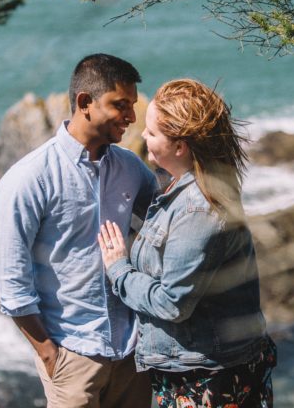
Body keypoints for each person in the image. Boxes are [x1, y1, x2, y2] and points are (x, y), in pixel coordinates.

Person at [0, 53, 160, 408]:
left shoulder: (130, 167)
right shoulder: (28, 179)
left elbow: (164, 222)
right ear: (85, 103)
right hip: (72, 357)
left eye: (131, 104)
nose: (131, 116)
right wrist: (49, 353)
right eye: (120, 105)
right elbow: (10, 280)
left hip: (132, 352)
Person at [98, 79, 276, 408]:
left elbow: (172, 304)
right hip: (211, 365)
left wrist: (118, 269)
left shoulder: (199, 209)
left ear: (180, 146)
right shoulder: (192, 184)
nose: (143, 135)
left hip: (208, 375)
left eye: (152, 132)